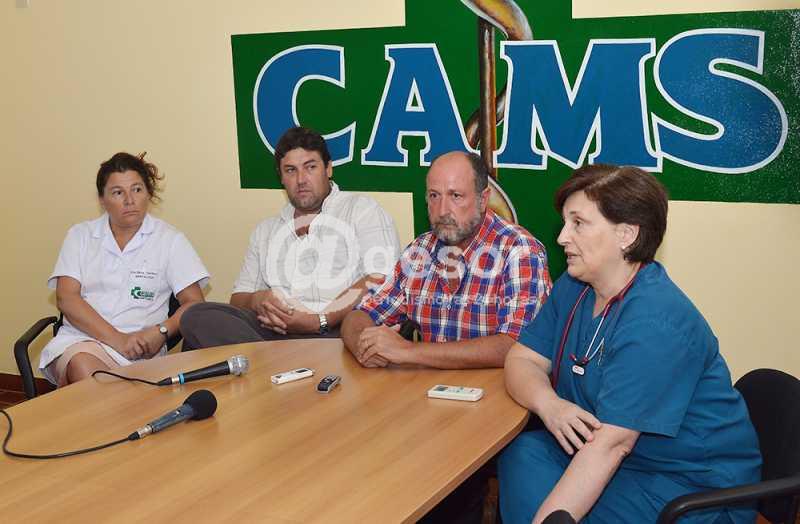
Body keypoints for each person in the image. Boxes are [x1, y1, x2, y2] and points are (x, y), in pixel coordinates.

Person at [498, 164, 760, 524]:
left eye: (578, 223)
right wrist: (550, 405)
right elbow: (521, 359)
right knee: (524, 452)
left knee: (562, 500)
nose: (561, 237)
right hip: (623, 459)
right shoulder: (576, 286)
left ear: (626, 234)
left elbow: (612, 446)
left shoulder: (656, 321)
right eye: (565, 222)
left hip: (689, 486)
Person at [180, 127, 400, 349]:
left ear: (328, 168)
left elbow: (381, 278)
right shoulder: (266, 231)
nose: (301, 179)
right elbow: (238, 299)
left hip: (338, 332)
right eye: (290, 170)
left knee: (357, 329)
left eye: (310, 167)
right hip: (274, 333)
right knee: (196, 317)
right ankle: (279, 361)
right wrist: (258, 299)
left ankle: (274, 362)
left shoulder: (361, 210)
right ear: (281, 177)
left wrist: (319, 320)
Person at [342, 150, 551, 370]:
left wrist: (407, 351)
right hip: (428, 386)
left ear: (483, 200)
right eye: (434, 196)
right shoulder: (419, 251)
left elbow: (517, 346)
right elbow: (359, 315)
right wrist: (365, 347)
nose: (443, 211)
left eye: (456, 196)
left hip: (496, 388)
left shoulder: (519, 250)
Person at [39, 152, 209, 386]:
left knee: (100, 388)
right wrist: (118, 340)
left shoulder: (170, 240)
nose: (129, 200)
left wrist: (161, 331)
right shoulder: (80, 236)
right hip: (82, 341)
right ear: (102, 199)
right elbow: (66, 298)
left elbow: (195, 303)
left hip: (142, 352)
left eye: (137, 189)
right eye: (118, 192)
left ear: (149, 193)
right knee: (84, 366)